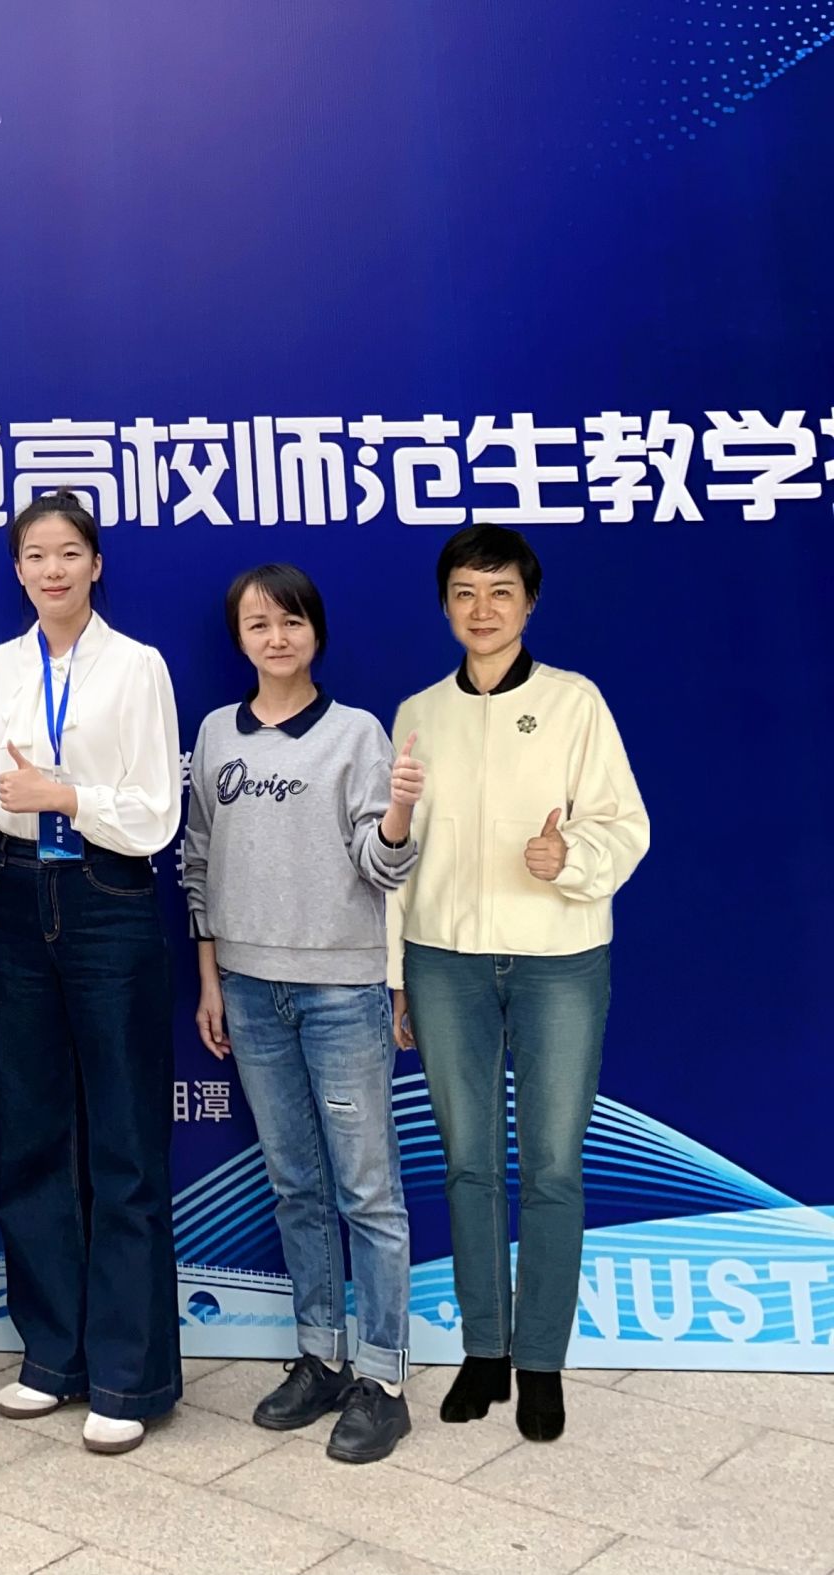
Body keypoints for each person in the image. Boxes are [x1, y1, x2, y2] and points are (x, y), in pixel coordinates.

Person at [389, 524, 649, 1443]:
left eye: (501, 592)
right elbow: (399, 851)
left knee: (551, 1165)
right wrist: (397, 977)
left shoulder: (575, 702)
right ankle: (484, 1350)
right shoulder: (419, 713)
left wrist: (567, 855)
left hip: (558, 957)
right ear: (445, 604)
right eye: (465, 592)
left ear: (529, 603)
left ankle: (541, 1361)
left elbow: (626, 822)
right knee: (467, 1162)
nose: (483, 609)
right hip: (444, 959)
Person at [0, 492, 182, 1456]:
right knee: (32, 1136)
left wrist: (67, 796)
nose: (52, 570)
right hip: (12, 895)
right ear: (17, 570)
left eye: (69, 553)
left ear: (96, 563)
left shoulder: (137, 665)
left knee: (124, 1142)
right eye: (36, 556)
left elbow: (156, 811)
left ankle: (130, 1374)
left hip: (106, 893)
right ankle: (52, 1354)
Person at [183, 562, 421, 1464]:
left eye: (291, 621)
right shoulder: (217, 733)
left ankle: (384, 1379)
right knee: (295, 1183)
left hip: (340, 991)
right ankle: (320, 1356)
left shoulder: (358, 733)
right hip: (249, 987)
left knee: (368, 1191)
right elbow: (198, 861)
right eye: (258, 624)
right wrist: (211, 977)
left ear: (315, 631)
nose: (275, 637)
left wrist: (398, 815)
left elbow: (383, 867)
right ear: (239, 639)